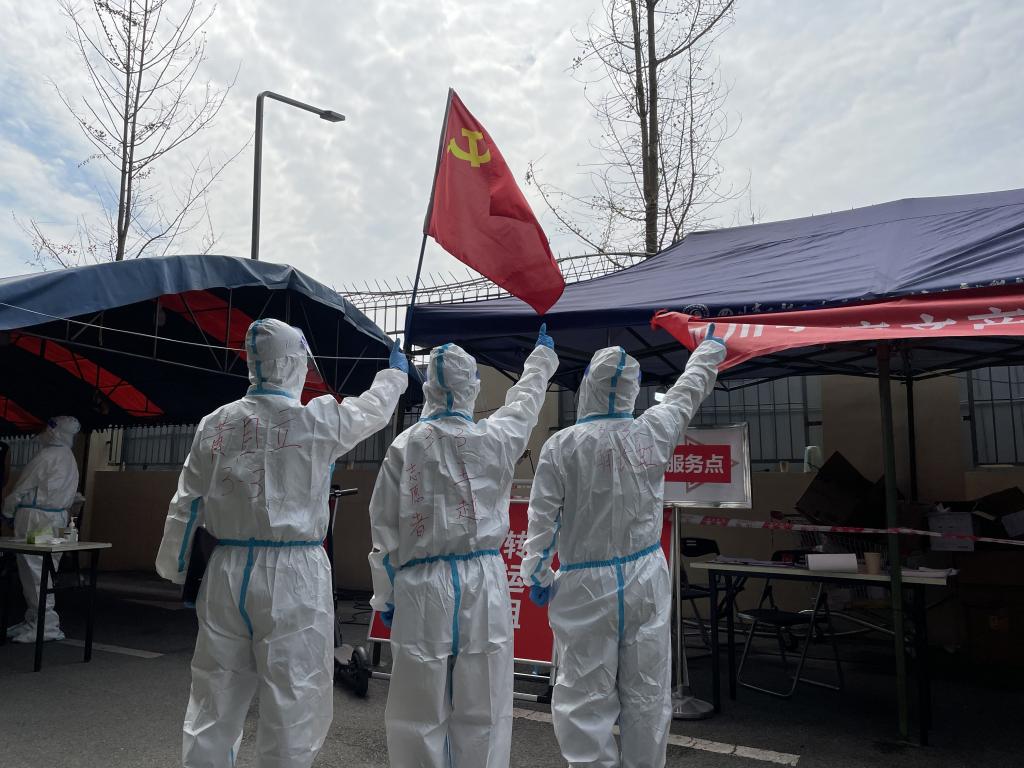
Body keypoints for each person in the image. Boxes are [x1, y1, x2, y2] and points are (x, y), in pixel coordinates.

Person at [155, 318, 407, 768]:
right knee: (294, 700)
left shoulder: (216, 423)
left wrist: (174, 565)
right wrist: (394, 375)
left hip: (226, 569)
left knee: (214, 695)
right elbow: (373, 409)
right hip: (295, 574)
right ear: (292, 363)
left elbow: (187, 502)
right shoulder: (317, 420)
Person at [521, 327, 727, 768]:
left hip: (584, 585)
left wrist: (537, 572)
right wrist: (708, 351)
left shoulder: (562, 446)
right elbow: (686, 392)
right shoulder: (652, 430)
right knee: (647, 691)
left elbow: (543, 518)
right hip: (645, 576)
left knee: (583, 694)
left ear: (587, 387)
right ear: (633, 390)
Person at [368, 326, 558, 768]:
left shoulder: (404, 446)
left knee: (418, 712)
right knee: (484, 708)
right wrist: (540, 360)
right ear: (472, 387)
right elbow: (525, 404)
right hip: (482, 581)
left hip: (421, 584)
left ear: (428, 389)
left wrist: (385, 595)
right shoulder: (495, 438)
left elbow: (384, 530)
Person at [1, 416, 81, 643]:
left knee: (34, 570)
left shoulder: (47, 456)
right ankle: (36, 620)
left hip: (36, 520)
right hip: (55, 520)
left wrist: (7, 511)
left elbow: (22, 487)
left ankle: (45, 625)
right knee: (44, 569)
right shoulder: (69, 458)